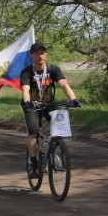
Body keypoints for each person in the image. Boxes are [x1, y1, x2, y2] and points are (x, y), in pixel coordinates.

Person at [20, 42, 81, 178]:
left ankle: (56, 154)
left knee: (58, 131)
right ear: (32, 56)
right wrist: (28, 102)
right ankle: (35, 165)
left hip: (49, 104)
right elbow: (25, 89)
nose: (40, 56)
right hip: (33, 106)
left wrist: (73, 99)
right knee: (34, 133)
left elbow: (64, 84)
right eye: (37, 53)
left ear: (46, 54)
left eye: (42, 53)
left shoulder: (53, 69)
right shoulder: (26, 72)